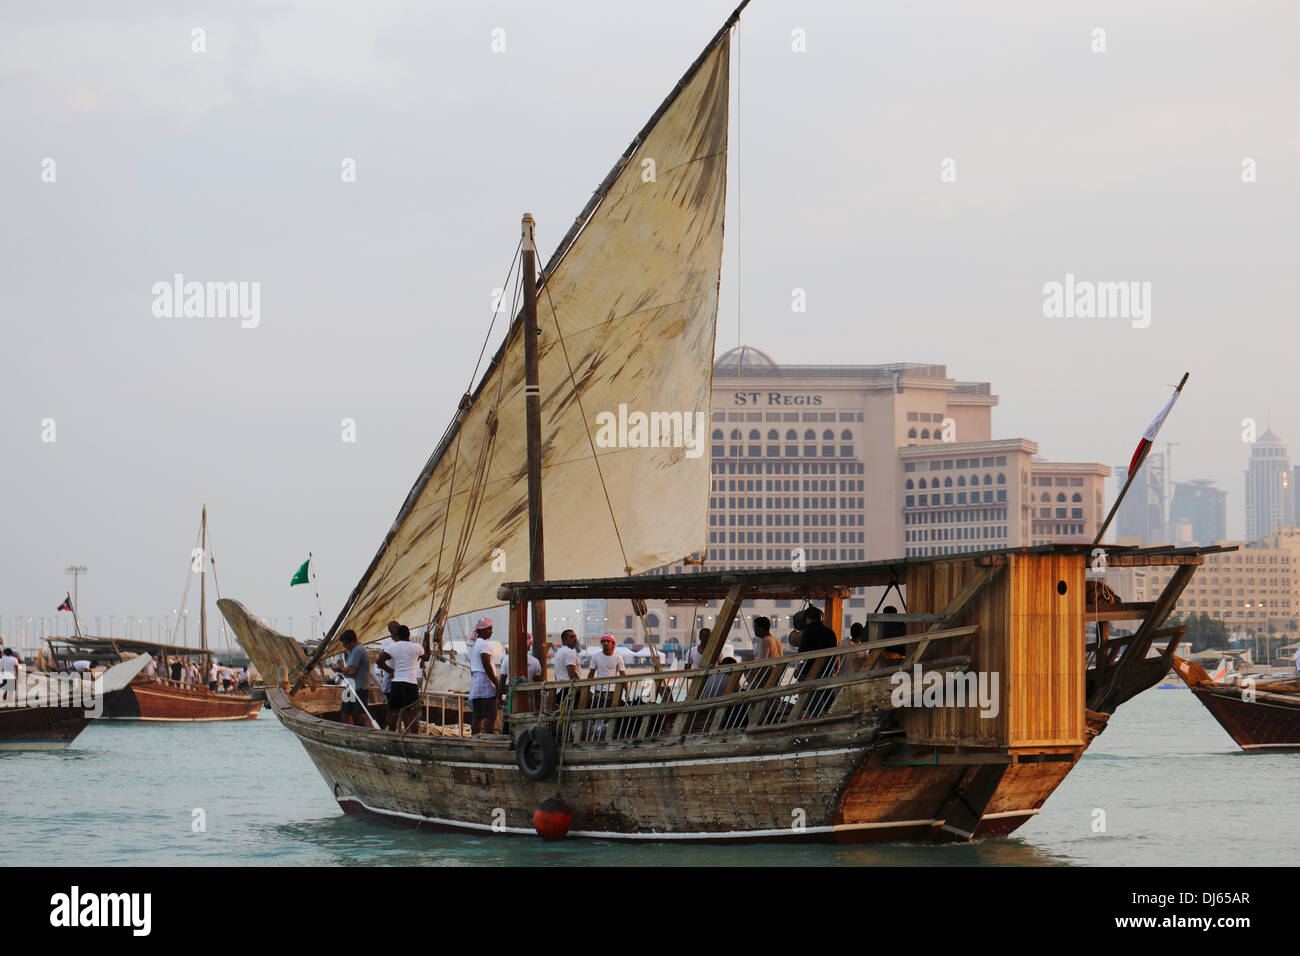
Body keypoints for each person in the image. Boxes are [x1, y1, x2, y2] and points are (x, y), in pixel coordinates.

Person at [377, 624, 428, 731]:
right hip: (411, 684)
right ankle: (413, 737)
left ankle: (391, 734)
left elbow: (379, 662)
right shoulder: (417, 647)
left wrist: (391, 671)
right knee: (411, 712)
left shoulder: (391, 647)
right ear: (409, 635)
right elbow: (426, 657)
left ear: (397, 635)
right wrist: (427, 641)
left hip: (396, 683)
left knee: (393, 711)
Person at [468, 619, 503, 734]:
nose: (491, 632)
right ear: (482, 630)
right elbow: (486, 665)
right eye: (489, 629)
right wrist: (497, 683)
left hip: (475, 684)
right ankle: (489, 739)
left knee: (477, 717)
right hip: (485, 684)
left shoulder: (472, 645)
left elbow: (472, 665)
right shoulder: (485, 645)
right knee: (490, 716)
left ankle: (475, 740)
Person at [336, 630, 372, 727]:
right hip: (350, 686)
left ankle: (372, 732)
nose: (344, 646)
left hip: (359, 687)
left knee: (362, 715)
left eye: (345, 644)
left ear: (351, 641)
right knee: (345, 712)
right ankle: (349, 731)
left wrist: (339, 668)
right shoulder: (353, 650)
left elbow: (351, 671)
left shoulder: (358, 650)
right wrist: (342, 672)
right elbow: (350, 671)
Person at [587, 635, 626, 708]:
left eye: (608, 641)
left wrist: (627, 692)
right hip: (599, 691)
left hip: (612, 691)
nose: (606, 643)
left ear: (612, 643)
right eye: (603, 641)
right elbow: (590, 674)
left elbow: (623, 676)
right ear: (601, 643)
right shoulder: (596, 656)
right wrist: (588, 690)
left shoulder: (618, 657)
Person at [553, 630, 581, 708]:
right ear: (564, 640)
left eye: (575, 636)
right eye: (572, 637)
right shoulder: (570, 652)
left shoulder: (559, 652)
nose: (575, 639)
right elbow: (572, 673)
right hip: (570, 690)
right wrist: (582, 687)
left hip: (561, 690)